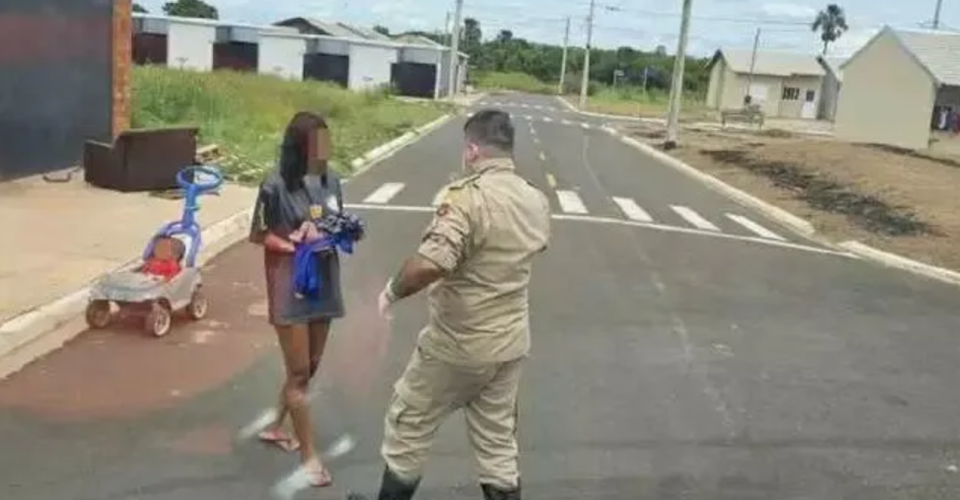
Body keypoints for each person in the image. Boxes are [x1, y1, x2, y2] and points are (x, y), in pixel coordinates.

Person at [352, 109, 551, 500]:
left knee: (408, 424)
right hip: (509, 344)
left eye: (466, 149)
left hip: (458, 344)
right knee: (497, 443)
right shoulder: (535, 199)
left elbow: (431, 262)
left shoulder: (468, 199)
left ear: (473, 150)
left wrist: (390, 292)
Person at [248, 111, 346, 488]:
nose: (325, 149)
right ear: (300, 146)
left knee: (309, 365)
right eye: (317, 142)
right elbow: (258, 234)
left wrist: (325, 230)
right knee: (301, 374)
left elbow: (343, 223)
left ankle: (275, 426)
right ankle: (308, 456)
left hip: (325, 281)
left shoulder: (332, 179)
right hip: (289, 283)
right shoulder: (274, 184)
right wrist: (295, 243)